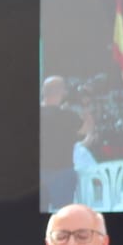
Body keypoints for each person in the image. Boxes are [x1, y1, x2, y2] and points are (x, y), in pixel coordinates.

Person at [39, 76, 79, 210]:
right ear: (62, 92)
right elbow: (87, 129)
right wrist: (85, 106)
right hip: (62, 172)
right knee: (63, 216)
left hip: (39, 172)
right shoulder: (68, 116)